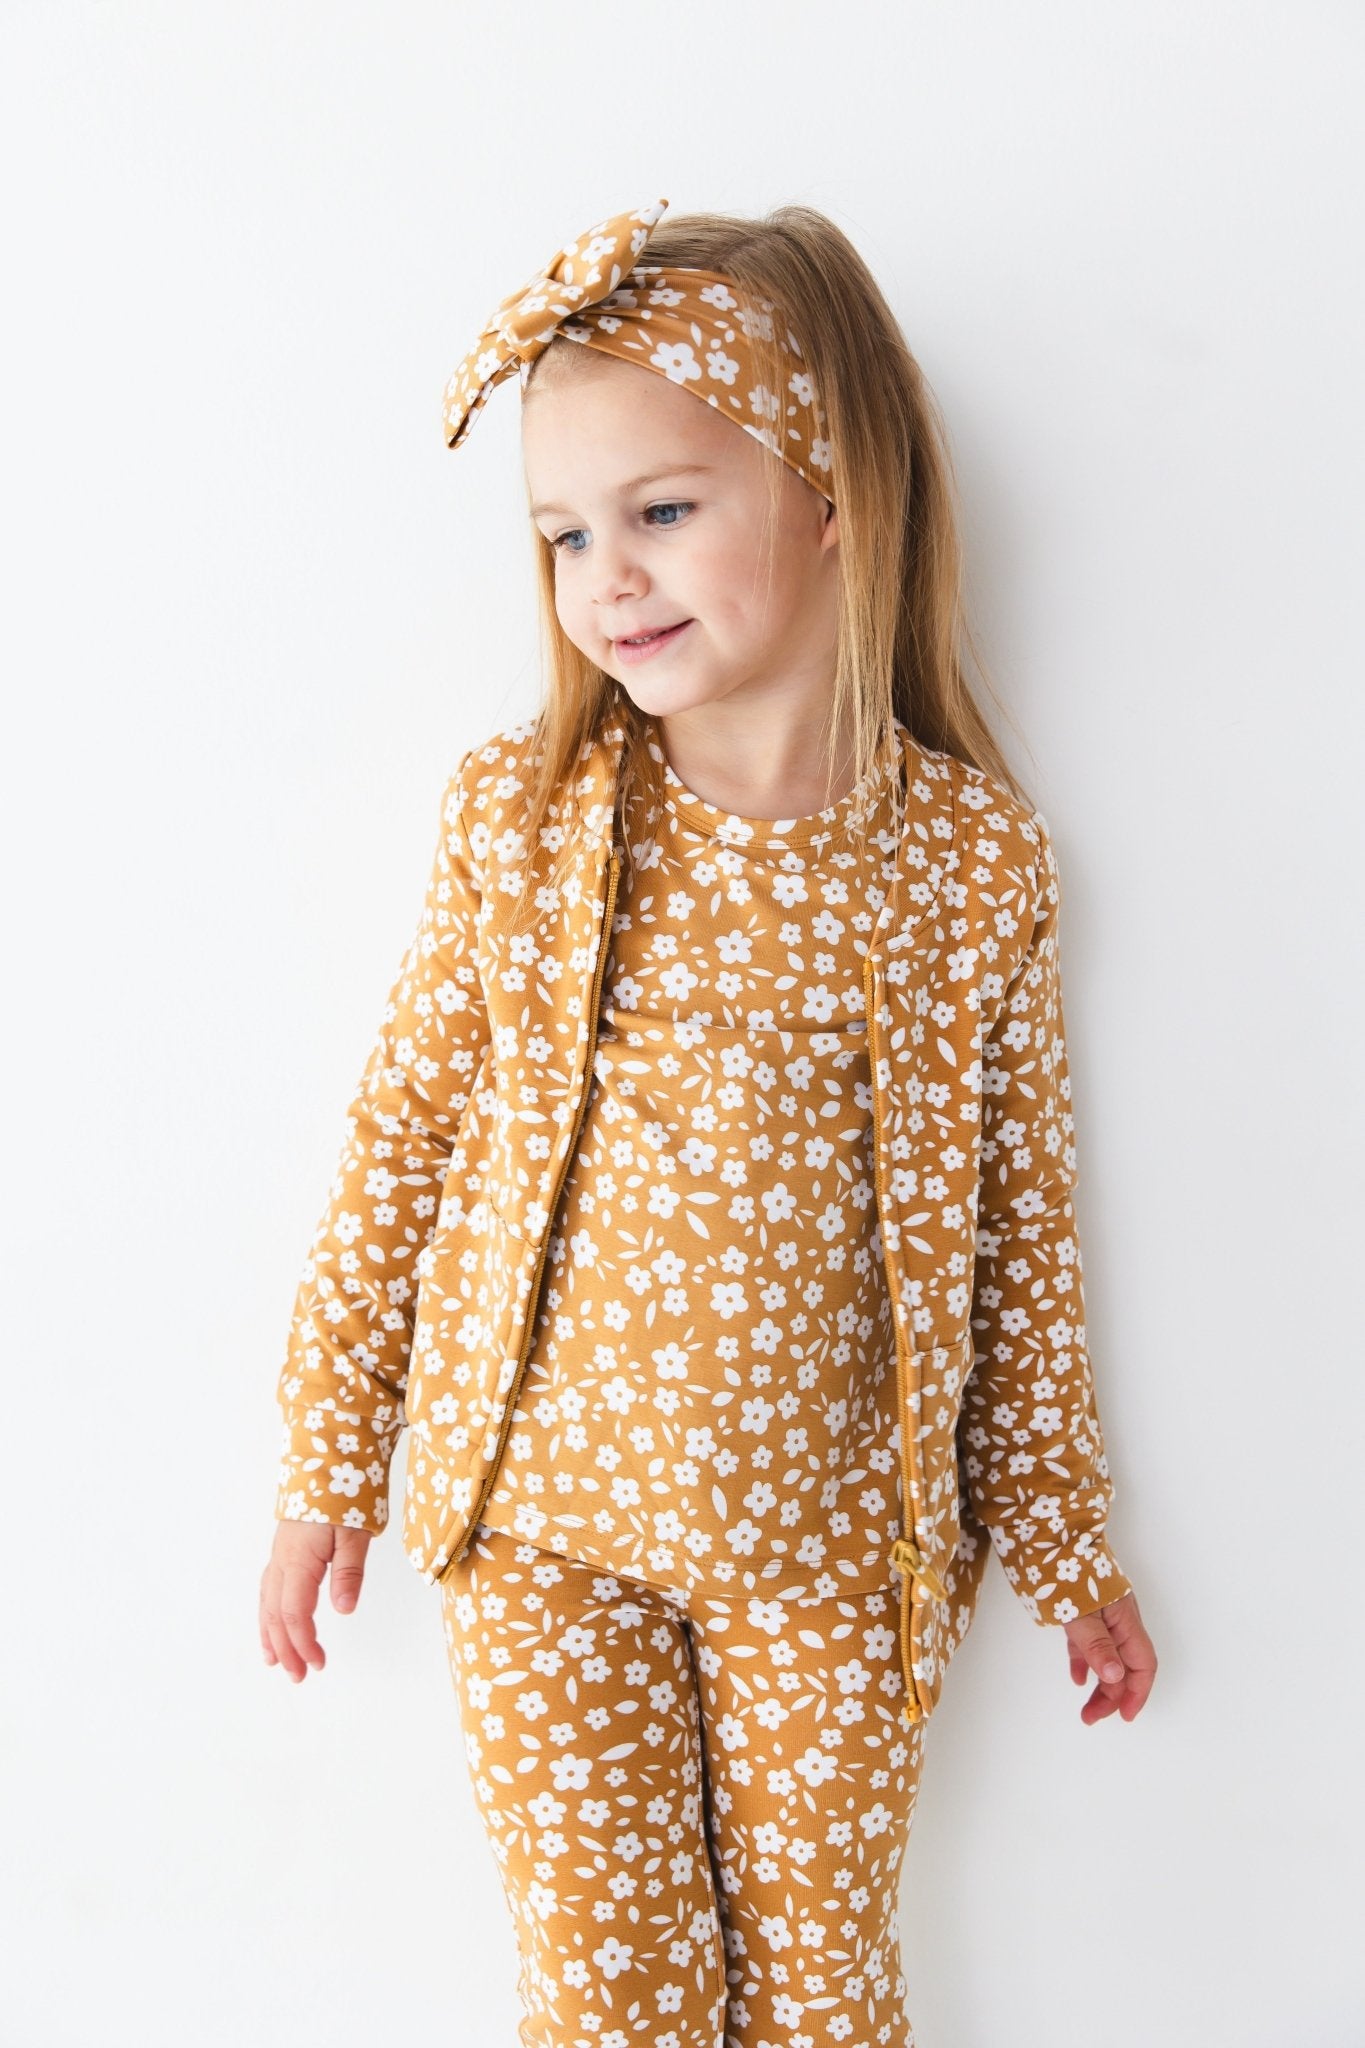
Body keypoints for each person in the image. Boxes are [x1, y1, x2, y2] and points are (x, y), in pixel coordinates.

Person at [259, 197, 1158, 2048]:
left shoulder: (967, 866)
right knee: (609, 2001)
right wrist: (330, 1455)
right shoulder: (527, 820)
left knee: (826, 1994)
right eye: (564, 533)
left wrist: (1061, 1537)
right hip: (544, 1530)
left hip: (831, 1550)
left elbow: (1020, 1229)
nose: (606, 575)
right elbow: (406, 1139)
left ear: (835, 496)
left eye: (661, 510)